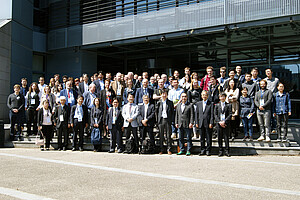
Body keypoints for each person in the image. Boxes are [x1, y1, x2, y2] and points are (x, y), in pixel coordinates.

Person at [195, 91, 214, 156]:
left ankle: (208, 150)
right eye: (203, 95)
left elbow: (212, 114)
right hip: (200, 123)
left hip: (208, 123)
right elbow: (196, 114)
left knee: (208, 137)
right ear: (201, 96)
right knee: (202, 138)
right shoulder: (198, 104)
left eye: (205, 95)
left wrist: (211, 122)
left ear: (208, 96)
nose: (204, 96)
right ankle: (202, 150)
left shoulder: (211, 104)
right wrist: (197, 122)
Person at [156, 89, 174, 155]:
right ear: (161, 95)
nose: (164, 95)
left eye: (165, 94)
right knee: (161, 135)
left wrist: (171, 120)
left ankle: (169, 149)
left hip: (167, 120)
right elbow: (156, 112)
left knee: (168, 135)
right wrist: (157, 120)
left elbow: (172, 112)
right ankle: (161, 149)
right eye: (163, 94)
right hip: (161, 120)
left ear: (167, 95)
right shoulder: (159, 102)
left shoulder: (170, 102)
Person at [214, 93, 232, 157]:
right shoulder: (217, 105)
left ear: (225, 97)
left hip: (226, 124)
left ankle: (227, 151)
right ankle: (220, 151)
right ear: (219, 98)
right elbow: (215, 115)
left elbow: (230, 114)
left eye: (223, 97)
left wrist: (224, 121)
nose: (222, 98)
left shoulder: (229, 105)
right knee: (219, 138)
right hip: (219, 124)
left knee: (226, 138)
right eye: (221, 97)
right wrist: (219, 122)